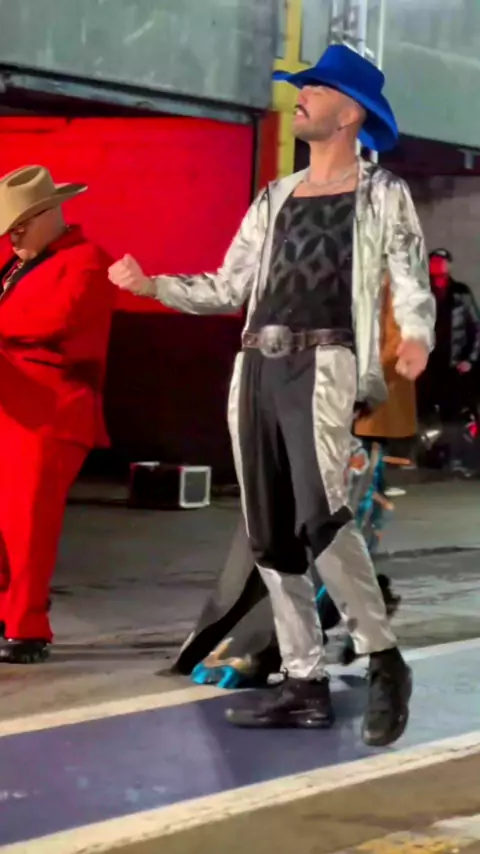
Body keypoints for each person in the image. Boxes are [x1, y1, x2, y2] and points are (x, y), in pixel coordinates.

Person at [109, 45, 435, 747]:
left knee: (323, 518)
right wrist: (153, 286)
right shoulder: (275, 197)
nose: (302, 96)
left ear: (350, 114)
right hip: (256, 364)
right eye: (302, 86)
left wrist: (416, 335)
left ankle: (384, 658)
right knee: (269, 532)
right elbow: (230, 285)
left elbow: (409, 273)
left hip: (324, 363)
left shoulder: (381, 193)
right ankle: (302, 679)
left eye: (316, 88)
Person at [173, 280, 412, 687]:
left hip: (346, 410)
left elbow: (391, 332)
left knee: (321, 531)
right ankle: (361, 604)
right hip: (293, 399)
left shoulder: (376, 261)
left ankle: (271, 647)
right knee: (272, 530)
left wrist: (348, 393)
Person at [0, 165, 115, 664]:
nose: (12, 236)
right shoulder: (16, 266)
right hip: (13, 408)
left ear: (49, 214)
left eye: (18, 226)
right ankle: (9, 616)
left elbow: (54, 319)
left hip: (50, 414)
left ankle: (26, 628)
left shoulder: (88, 261)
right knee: (8, 527)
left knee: (28, 525)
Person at [417, 248, 480, 427]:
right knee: (424, 412)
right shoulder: (419, 293)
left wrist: (470, 360)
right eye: (434, 261)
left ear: (449, 265)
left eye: (442, 261)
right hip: (427, 365)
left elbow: (476, 328)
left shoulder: (461, 293)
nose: (438, 265)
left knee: (453, 413)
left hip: (453, 365)